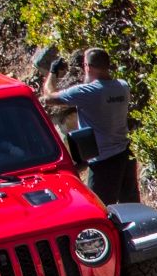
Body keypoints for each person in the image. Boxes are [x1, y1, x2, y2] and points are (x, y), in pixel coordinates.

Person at [44, 49, 137, 203]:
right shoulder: (122, 86)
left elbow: (48, 97)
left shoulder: (86, 93)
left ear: (87, 66)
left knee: (99, 208)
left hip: (103, 162)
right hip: (125, 156)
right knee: (130, 205)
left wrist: (53, 72)